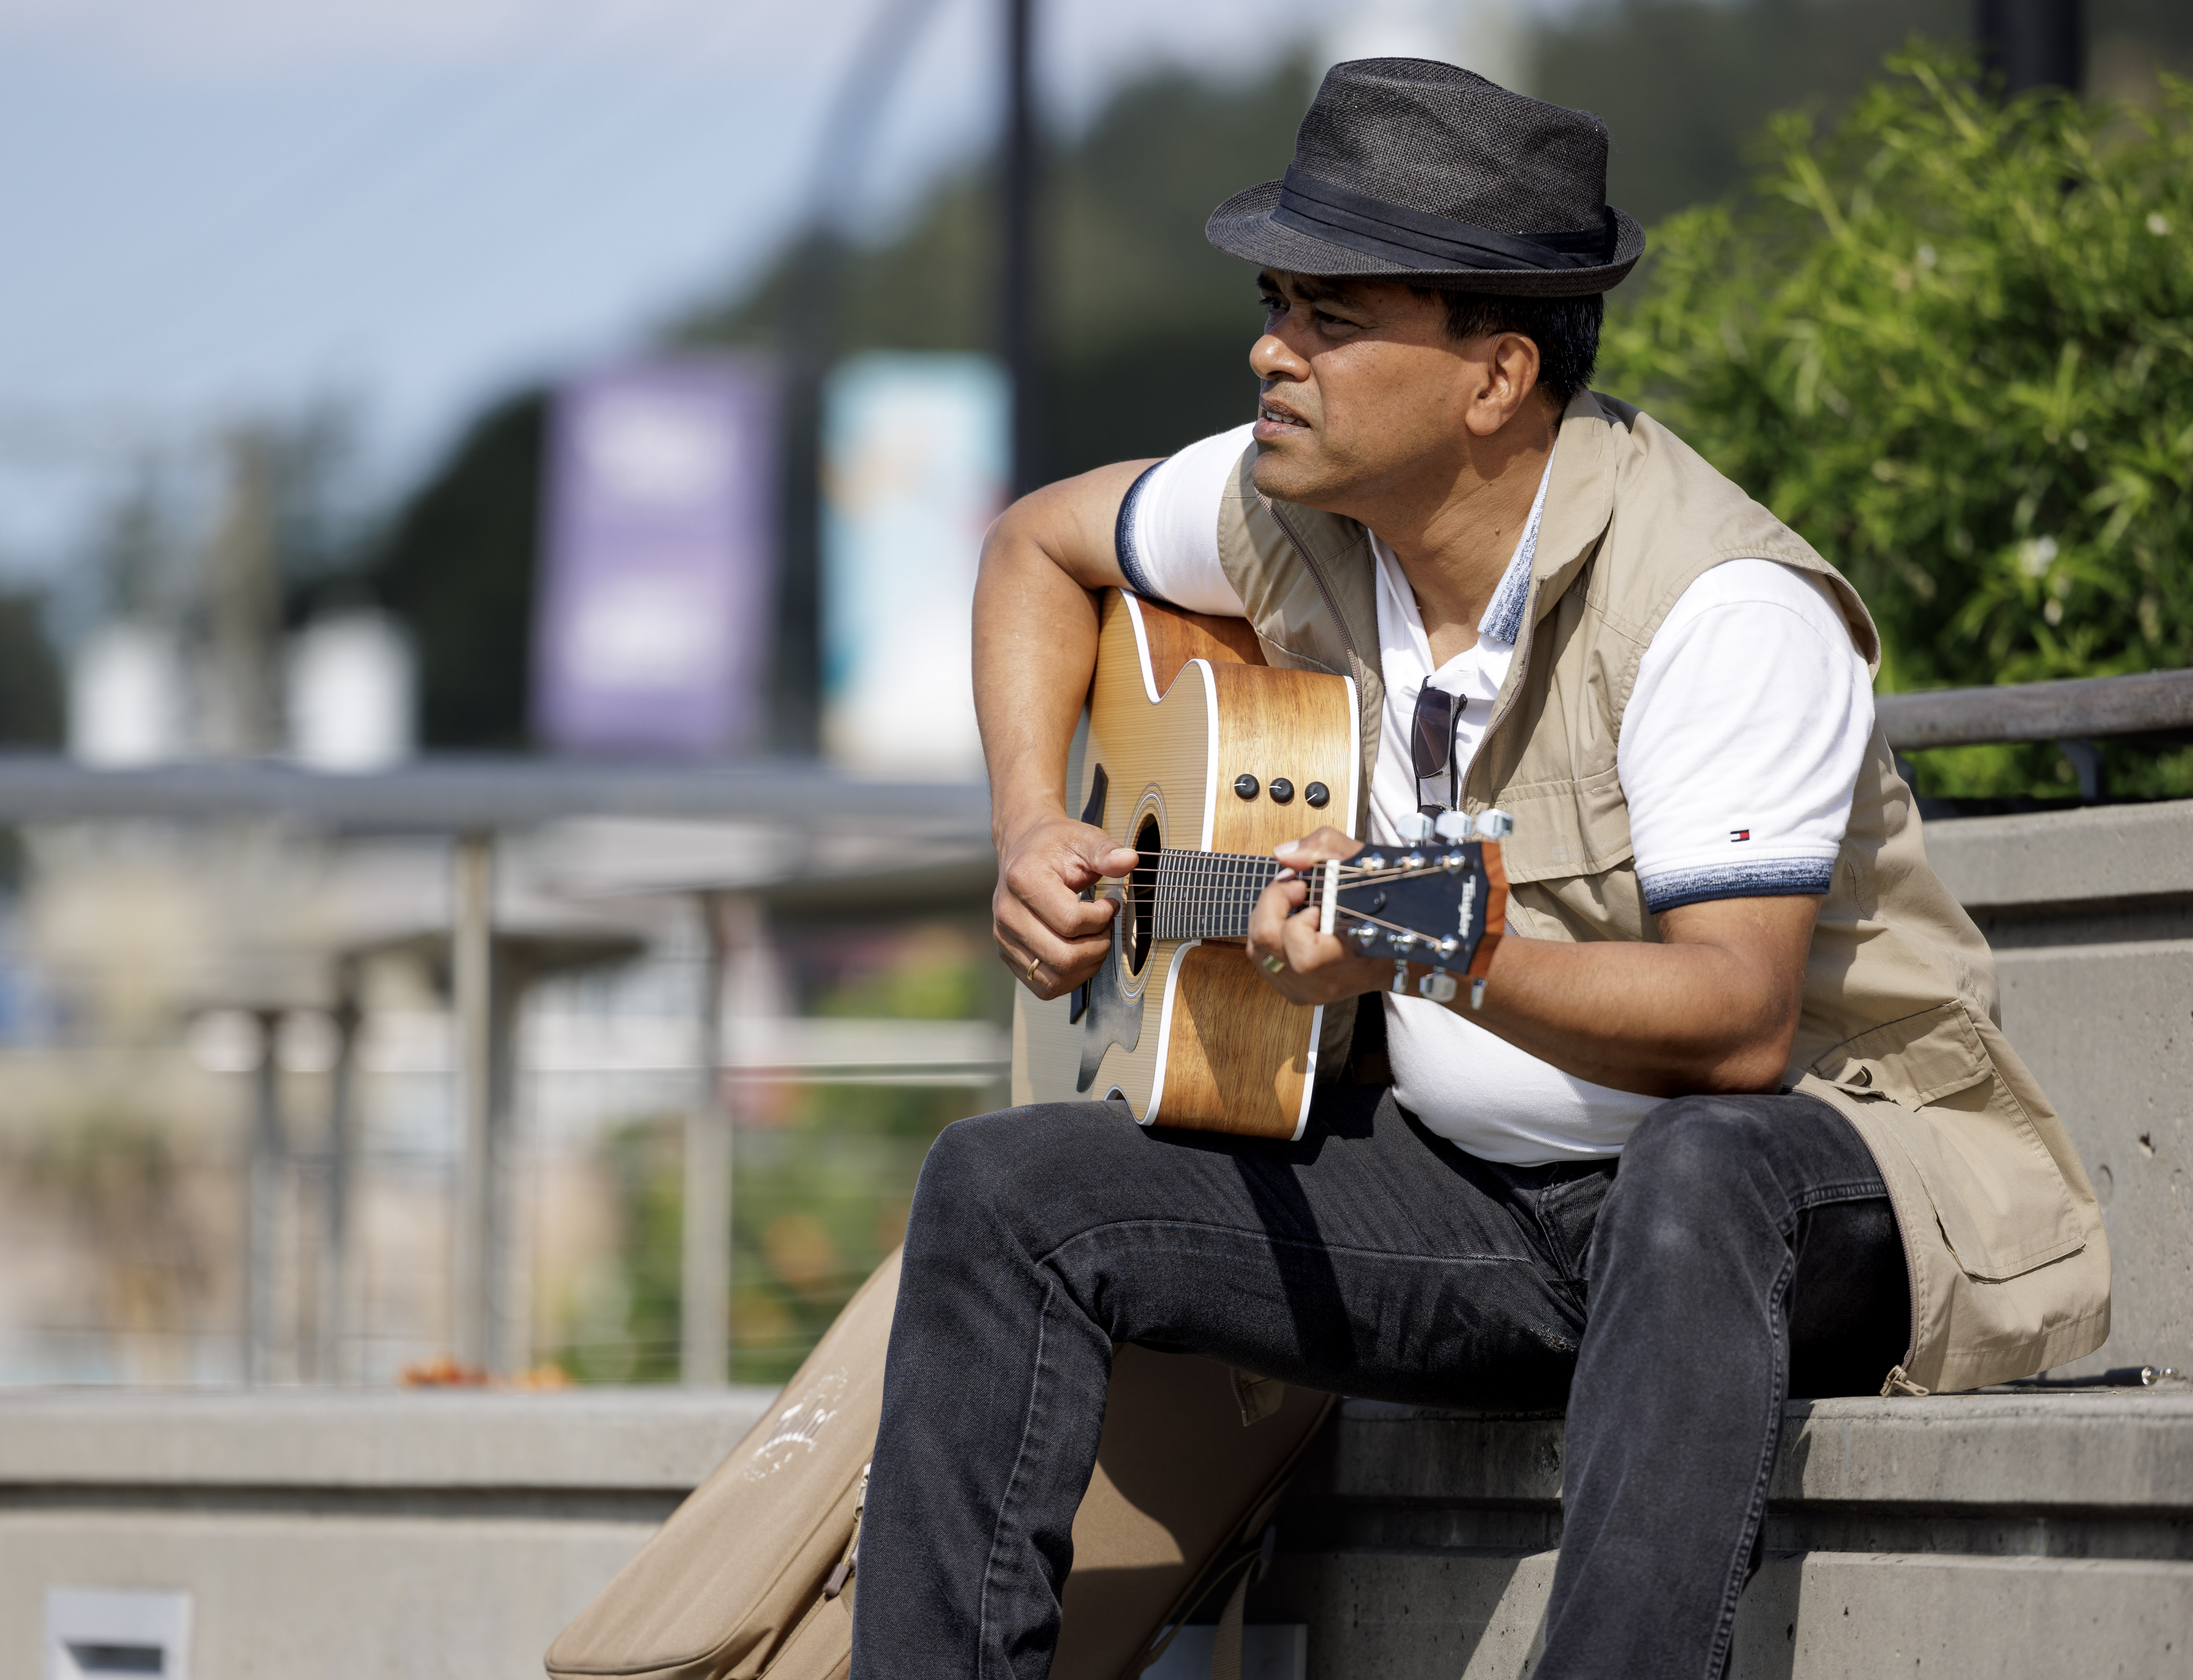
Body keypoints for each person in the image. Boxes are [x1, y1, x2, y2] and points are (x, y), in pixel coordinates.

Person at [852, 58, 2108, 1680]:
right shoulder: (1292, 511)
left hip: (1822, 1196)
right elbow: (1034, 543)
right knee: (1004, 1191)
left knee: (1697, 1173)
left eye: (1329, 316)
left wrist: (1429, 952)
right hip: (1476, 1211)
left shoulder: (1717, 608)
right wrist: (1033, 820)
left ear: (1495, 374)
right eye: (1272, 299)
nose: (1268, 351)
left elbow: (1734, 1027)